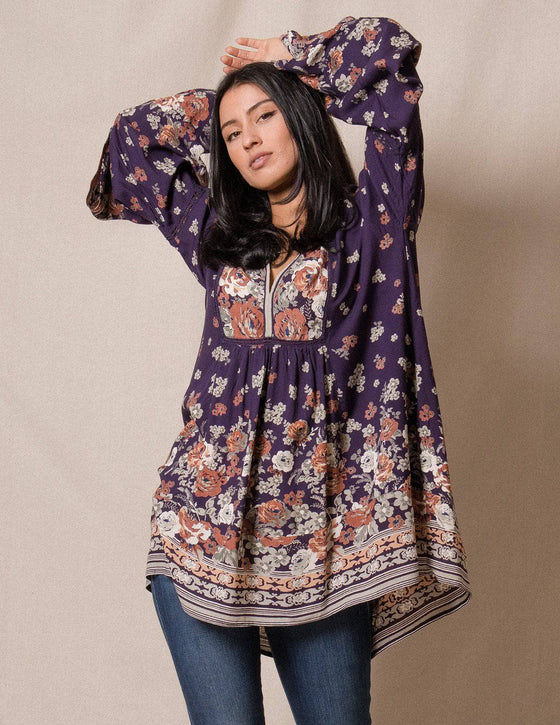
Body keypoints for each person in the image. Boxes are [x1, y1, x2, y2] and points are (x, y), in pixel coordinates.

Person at [86, 16, 471, 725]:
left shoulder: (372, 227)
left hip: (323, 543)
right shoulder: (217, 233)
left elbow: (389, 62)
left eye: (266, 118)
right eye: (232, 135)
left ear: (302, 116)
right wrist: (227, 100)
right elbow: (132, 141)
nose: (249, 140)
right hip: (201, 529)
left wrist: (292, 61)